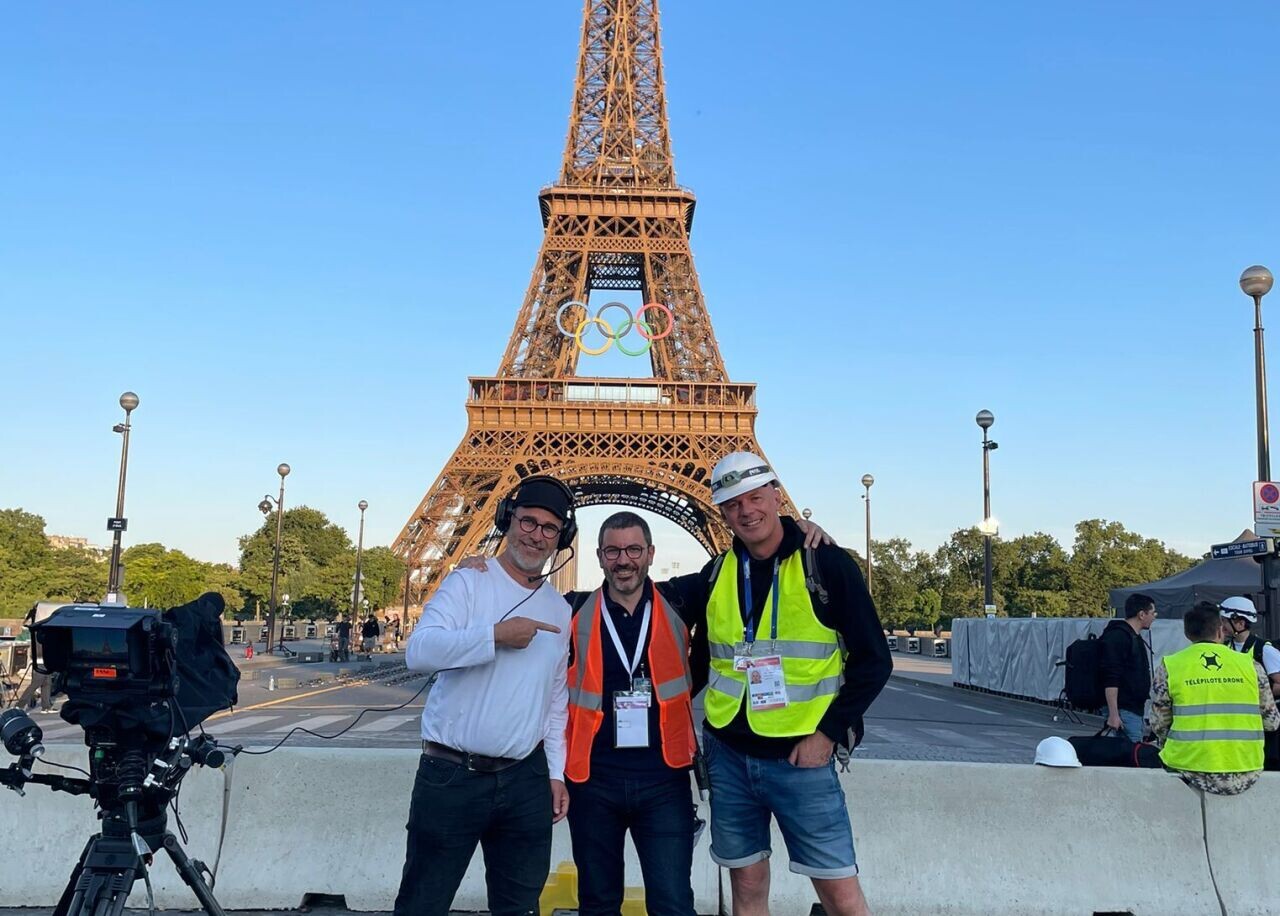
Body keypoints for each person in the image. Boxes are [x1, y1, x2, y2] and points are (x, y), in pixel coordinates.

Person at [698, 452, 892, 916]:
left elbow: (875, 660)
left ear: (775, 496)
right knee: (746, 886)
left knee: (839, 893)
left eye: (755, 497)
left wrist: (827, 734)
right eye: (733, 504)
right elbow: (649, 606)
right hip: (729, 754)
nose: (746, 510)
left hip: (802, 758)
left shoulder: (825, 564)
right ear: (722, 513)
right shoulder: (717, 572)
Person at [393, 475, 575, 916]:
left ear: (561, 538)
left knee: (520, 907)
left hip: (526, 780)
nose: (536, 535)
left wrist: (555, 773)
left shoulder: (560, 609)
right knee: (422, 904)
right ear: (506, 519)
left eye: (549, 528)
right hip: (452, 776)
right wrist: (495, 636)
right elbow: (419, 651)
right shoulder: (467, 583)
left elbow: (555, 703)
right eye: (528, 521)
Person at [1151, 601, 1280, 796]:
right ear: (1220, 630)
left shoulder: (1170, 666)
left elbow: (1159, 725)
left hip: (1188, 767)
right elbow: (1272, 722)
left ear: (1187, 633)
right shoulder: (1251, 665)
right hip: (1245, 767)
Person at [1099, 593, 1156, 742]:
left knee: (1129, 750)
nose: (1154, 617)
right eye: (1152, 613)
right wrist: (1113, 714)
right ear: (1141, 614)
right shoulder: (1120, 637)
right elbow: (1111, 677)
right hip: (1124, 710)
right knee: (1130, 751)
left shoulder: (1132, 636)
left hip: (1132, 709)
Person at [1220, 596, 1280, 698]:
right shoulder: (1224, 647)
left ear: (1240, 624)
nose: (1221, 625)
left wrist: (1251, 692)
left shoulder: (1264, 650)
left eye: (1224, 620)